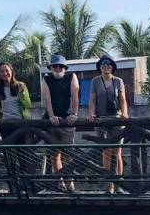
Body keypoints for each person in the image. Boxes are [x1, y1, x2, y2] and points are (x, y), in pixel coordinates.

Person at [88, 54, 129, 187]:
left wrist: (125, 113)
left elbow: (122, 99)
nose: (106, 67)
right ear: (100, 67)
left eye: (108, 65)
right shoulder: (95, 81)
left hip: (116, 119)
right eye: (103, 65)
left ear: (112, 67)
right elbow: (93, 99)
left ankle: (119, 184)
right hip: (101, 120)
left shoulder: (118, 81)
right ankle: (109, 185)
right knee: (106, 152)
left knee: (117, 152)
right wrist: (91, 113)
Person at [40, 54, 80, 187]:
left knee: (68, 154)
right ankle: (60, 181)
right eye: (55, 66)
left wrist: (74, 113)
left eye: (60, 66)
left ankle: (70, 182)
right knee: (54, 154)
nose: (57, 68)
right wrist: (51, 116)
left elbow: (75, 97)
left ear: (65, 68)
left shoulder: (71, 76)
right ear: (51, 68)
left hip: (67, 120)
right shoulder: (46, 79)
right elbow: (47, 99)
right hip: (52, 121)